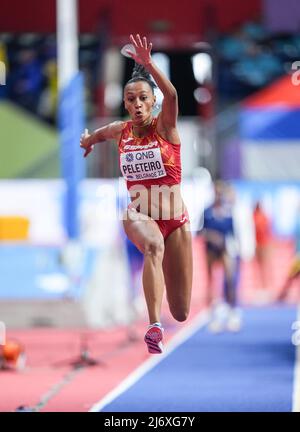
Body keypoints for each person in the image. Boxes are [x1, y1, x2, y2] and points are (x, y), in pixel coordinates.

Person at [80, 34, 193, 354]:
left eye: (143, 98)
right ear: (126, 103)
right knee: (152, 245)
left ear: (153, 101)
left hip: (176, 220)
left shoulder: (165, 127)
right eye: (131, 99)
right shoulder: (121, 130)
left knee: (182, 310)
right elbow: (102, 133)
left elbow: (171, 92)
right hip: (139, 212)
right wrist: (89, 141)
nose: (137, 104)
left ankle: (166, 318)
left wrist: (148, 64)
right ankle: (153, 326)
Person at [201, 180, 241, 332]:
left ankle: (232, 312)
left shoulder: (228, 211)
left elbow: (233, 232)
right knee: (211, 282)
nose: (218, 195)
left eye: (220, 192)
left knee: (230, 279)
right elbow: (201, 231)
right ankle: (212, 315)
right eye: (216, 192)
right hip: (211, 250)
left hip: (224, 249)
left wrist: (233, 248)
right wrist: (212, 236)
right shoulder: (207, 211)